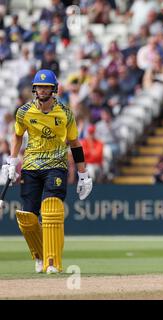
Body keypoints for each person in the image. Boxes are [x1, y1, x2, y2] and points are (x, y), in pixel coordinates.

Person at [0, 69, 93, 274]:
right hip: (31, 166)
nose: (43, 90)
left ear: (54, 90)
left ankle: (52, 262)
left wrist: (83, 174)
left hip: (57, 165)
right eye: (40, 87)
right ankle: (40, 255)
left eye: (47, 87)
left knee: (51, 209)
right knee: (27, 217)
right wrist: (11, 161)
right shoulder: (24, 111)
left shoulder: (65, 113)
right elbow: (17, 136)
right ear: (35, 89)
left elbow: (75, 143)